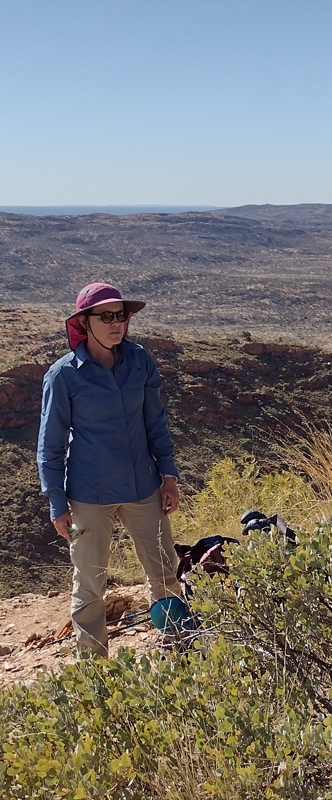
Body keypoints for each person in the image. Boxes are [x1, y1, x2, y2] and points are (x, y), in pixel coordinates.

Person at [37, 282, 185, 657]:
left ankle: (179, 645)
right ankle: (96, 672)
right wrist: (57, 501)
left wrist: (169, 476)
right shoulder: (64, 375)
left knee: (165, 571)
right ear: (84, 323)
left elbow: (156, 422)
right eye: (105, 316)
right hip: (88, 495)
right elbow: (50, 444)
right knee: (89, 584)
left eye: (120, 315)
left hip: (143, 488)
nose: (115, 323)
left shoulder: (140, 361)